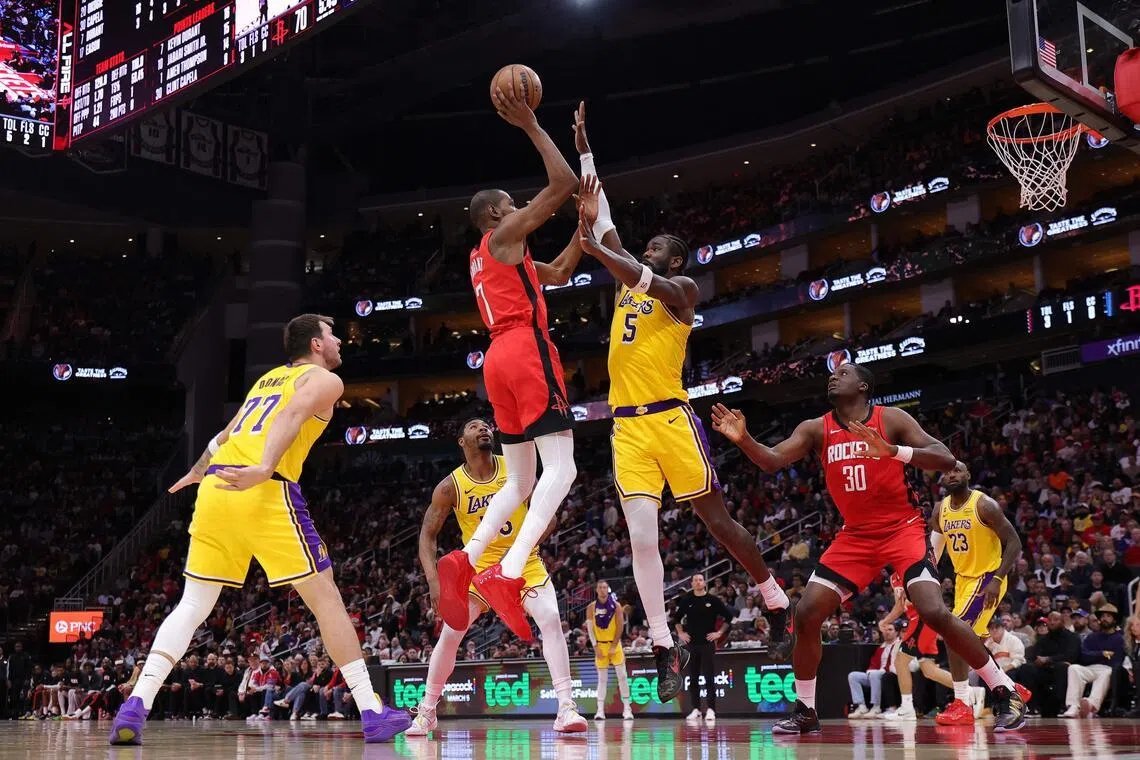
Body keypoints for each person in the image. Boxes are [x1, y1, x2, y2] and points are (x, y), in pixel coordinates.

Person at [109, 314, 411, 745]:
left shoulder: (267, 379)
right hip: (263, 487)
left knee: (192, 605)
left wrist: (197, 471)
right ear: (316, 345)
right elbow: (292, 414)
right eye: (333, 334)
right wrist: (266, 466)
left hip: (216, 487)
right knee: (327, 599)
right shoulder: (326, 381)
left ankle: (135, 706)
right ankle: (372, 711)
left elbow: (227, 433)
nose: (341, 339)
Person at [574, 131, 789, 705]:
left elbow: (631, 265)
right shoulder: (627, 277)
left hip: (672, 418)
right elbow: (605, 225)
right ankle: (665, 647)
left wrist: (605, 254)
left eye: (656, 246)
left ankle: (774, 599)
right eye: (642, 246)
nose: (645, 249)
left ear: (674, 259)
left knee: (717, 523)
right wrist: (588, 153)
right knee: (642, 540)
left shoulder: (683, 290)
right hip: (627, 427)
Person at [710, 362, 1026, 734]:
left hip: (903, 529)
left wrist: (893, 451)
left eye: (843, 373)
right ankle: (806, 710)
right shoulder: (816, 428)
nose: (833, 376)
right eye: (833, 373)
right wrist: (745, 439)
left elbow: (945, 459)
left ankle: (1005, 691)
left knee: (933, 610)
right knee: (808, 613)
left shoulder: (890, 419)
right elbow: (772, 460)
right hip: (855, 537)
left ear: (863, 387)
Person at [436, 97, 586, 642]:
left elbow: (563, 272)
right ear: (498, 214)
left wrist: (583, 232)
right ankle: (511, 570)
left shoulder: (496, 257)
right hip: (525, 350)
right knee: (563, 469)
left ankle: (468, 558)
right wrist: (531, 125)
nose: (521, 205)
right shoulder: (502, 237)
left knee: (521, 478)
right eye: (513, 203)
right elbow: (563, 181)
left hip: (496, 360)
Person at [410, 418, 587, 735]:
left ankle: (566, 707)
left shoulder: (518, 466)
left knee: (549, 618)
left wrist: (520, 551)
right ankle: (427, 710)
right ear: (461, 442)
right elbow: (427, 535)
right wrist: (434, 583)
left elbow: (549, 515)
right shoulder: (451, 486)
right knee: (451, 634)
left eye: (485, 425)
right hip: (477, 569)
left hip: (521, 562)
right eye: (473, 426)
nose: (483, 428)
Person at [932, 461, 1031, 725]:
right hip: (963, 581)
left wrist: (998, 578)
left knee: (954, 633)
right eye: (947, 471)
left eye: (957, 470)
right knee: (967, 642)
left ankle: (962, 703)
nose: (952, 475)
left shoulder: (984, 504)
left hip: (988, 578)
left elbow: (1014, 542)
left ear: (968, 475)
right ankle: (1011, 687)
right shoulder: (940, 509)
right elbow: (934, 549)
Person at [881, 570, 953, 719]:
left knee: (900, 661)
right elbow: (901, 606)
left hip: (922, 620)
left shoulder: (914, 569)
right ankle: (971, 692)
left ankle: (907, 708)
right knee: (929, 670)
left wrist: (886, 620)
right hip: (923, 622)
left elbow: (909, 603)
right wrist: (887, 620)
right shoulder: (895, 577)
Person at [673, 574, 735, 726]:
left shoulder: (713, 600)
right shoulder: (687, 600)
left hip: (707, 643)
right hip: (692, 643)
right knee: (693, 677)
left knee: (709, 676)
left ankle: (711, 709)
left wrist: (719, 633)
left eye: (700, 580)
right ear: (692, 583)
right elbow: (676, 619)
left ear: (704, 583)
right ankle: (695, 709)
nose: (698, 582)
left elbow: (728, 617)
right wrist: (681, 633)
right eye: (695, 580)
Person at [1062, 604, 1125, 717]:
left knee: (1108, 672)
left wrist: (1096, 656)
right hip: (1091, 668)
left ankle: (1091, 705)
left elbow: (1117, 660)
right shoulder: (1092, 637)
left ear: (1115, 620)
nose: (1104, 619)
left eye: (1108, 616)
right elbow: (1084, 655)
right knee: (1074, 668)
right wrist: (1102, 654)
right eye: (1102, 616)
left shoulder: (1120, 638)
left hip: (1108, 669)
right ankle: (1073, 706)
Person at [587, 580, 633, 721]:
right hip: (600, 645)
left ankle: (627, 709)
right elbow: (590, 629)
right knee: (602, 679)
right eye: (600, 587)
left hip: (615, 644)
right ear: (596, 590)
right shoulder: (591, 607)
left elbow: (619, 626)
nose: (602, 590)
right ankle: (600, 710)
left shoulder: (616, 606)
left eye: (605, 587)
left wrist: (613, 645)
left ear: (608, 589)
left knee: (623, 676)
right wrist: (595, 647)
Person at [848, 623, 901, 719]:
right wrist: (870, 671)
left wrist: (874, 672)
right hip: (876, 674)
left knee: (875, 674)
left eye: (890, 630)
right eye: (885, 630)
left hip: (890, 674)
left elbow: (893, 666)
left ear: (896, 632)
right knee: (853, 676)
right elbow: (874, 663)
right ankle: (861, 706)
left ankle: (876, 707)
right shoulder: (881, 647)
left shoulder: (898, 645)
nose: (886, 632)